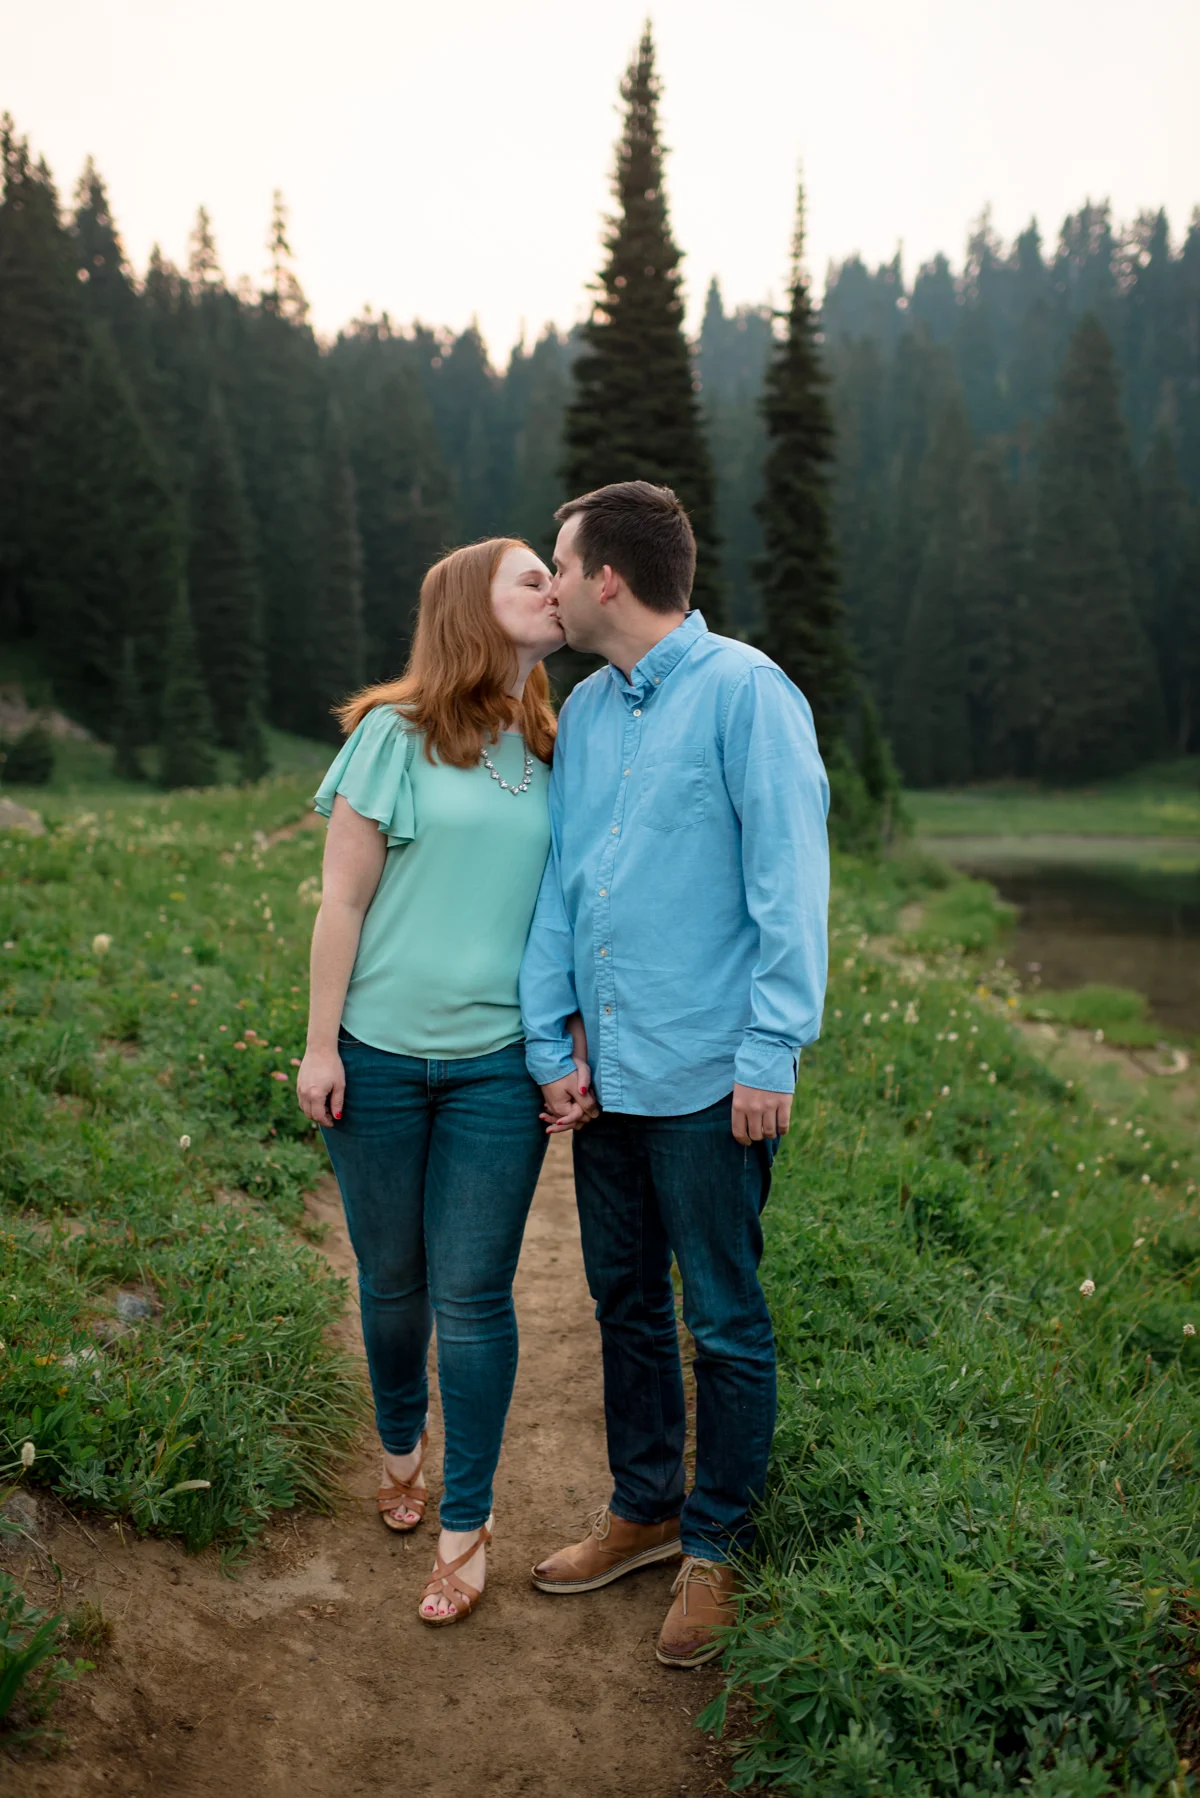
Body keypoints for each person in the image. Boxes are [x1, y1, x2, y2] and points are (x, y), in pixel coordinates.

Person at [519, 480, 829, 1668]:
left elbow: (789, 879)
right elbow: (564, 884)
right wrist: (554, 1040)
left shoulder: (747, 692)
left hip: (712, 1074)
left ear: (608, 576)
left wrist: (770, 1049)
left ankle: (718, 1545)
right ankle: (644, 1507)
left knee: (726, 1317)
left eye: (560, 562)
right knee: (625, 1303)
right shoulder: (587, 710)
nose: (549, 582)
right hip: (610, 1077)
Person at [297, 537, 591, 1627]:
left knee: (472, 1298)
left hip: (493, 1074)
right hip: (373, 1052)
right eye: (531, 576)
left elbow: (570, 914)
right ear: (476, 603)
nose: (553, 589)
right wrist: (320, 1046)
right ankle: (397, 1441)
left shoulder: (561, 744)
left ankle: (467, 1527)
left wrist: (566, 1041)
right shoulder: (394, 736)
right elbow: (342, 903)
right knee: (392, 1284)